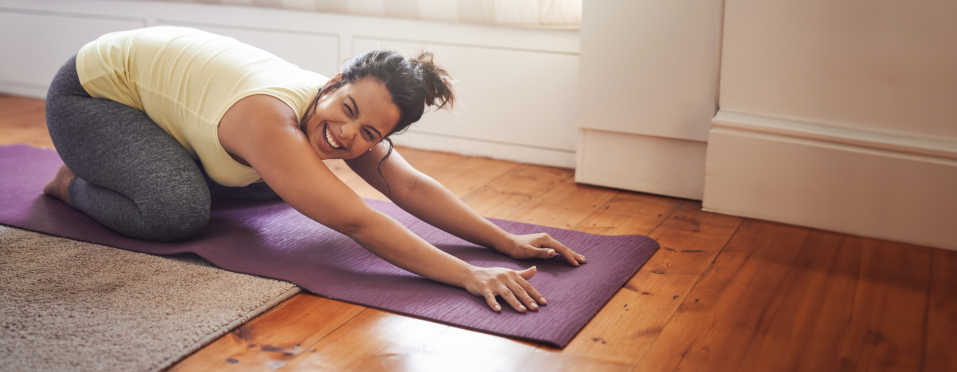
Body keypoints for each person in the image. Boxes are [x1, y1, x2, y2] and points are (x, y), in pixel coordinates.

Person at [42, 26, 585, 313]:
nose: (348, 135)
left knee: (289, 185)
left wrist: (502, 241)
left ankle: (155, 169)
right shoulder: (269, 117)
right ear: (329, 84)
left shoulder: (348, 118)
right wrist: (468, 274)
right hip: (91, 97)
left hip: (172, 118)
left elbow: (407, 184)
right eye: (346, 110)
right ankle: (74, 182)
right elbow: (357, 222)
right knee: (175, 211)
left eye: (370, 134)